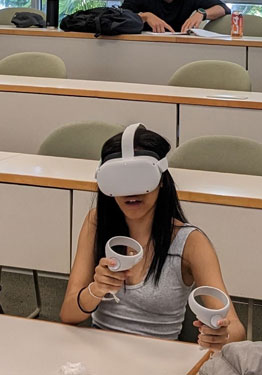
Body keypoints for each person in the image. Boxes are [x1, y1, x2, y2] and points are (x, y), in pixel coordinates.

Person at [60, 124, 245, 351]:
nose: (131, 192)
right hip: (99, 354)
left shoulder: (191, 243)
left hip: (159, 359)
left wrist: (222, 335)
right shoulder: (96, 222)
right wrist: (95, 290)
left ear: (161, 179)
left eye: (141, 178)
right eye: (120, 180)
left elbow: (236, 327)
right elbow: (68, 314)